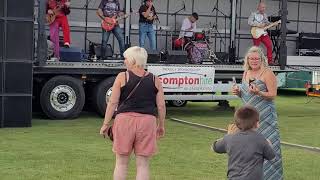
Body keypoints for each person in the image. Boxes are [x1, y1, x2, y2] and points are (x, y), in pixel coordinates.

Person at [99, 46, 166, 180]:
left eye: (126, 59)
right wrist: (161, 125)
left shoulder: (122, 76)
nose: (124, 61)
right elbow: (161, 105)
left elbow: (112, 103)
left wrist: (105, 124)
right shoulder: (155, 79)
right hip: (147, 122)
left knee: (121, 163)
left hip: (124, 121)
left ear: (133, 60)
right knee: (143, 165)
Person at [232, 46, 283, 179]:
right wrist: (238, 92)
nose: (254, 61)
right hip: (249, 119)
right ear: (247, 60)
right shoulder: (245, 73)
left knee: (269, 148)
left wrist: (259, 92)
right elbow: (246, 95)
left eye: (256, 58)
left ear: (262, 59)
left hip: (265, 118)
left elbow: (273, 94)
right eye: (251, 58)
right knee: (250, 149)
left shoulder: (267, 73)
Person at [212, 105, 276, 180]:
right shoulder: (261, 139)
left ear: (236, 124)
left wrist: (228, 135)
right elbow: (272, 158)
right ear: (257, 123)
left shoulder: (229, 138)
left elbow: (213, 147)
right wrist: (269, 144)